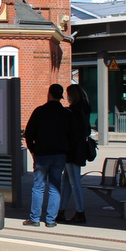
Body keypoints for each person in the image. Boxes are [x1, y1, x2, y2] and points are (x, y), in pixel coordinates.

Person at [23, 84, 76, 227]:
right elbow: (72, 136)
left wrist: (32, 150)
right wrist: (66, 150)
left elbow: (28, 134)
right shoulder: (66, 114)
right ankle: (51, 220)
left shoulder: (39, 111)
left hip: (41, 154)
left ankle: (35, 219)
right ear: (61, 96)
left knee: (38, 186)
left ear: (49, 94)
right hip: (59, 155)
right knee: (55, 187)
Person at [57, 84, 91, 223]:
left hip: (72, 149)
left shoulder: (74, 111)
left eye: (69, 94)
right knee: (67, 181)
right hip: (80, 148)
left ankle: (80, 211)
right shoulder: (85, 108)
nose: (67, 97)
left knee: (74, 181)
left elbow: (71, 132)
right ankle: (61, 210)